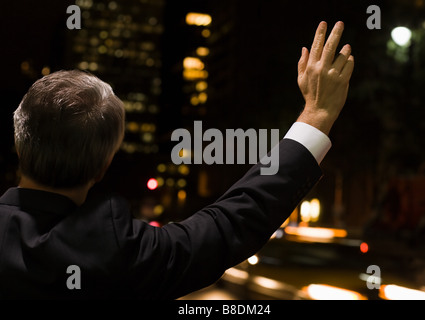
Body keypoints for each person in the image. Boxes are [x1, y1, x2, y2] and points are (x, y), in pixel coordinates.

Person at [0, 21, 354, 299]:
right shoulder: (119, 250)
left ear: (18, 145)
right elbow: (233, 222)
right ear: (103, 166)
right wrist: (317, 114)